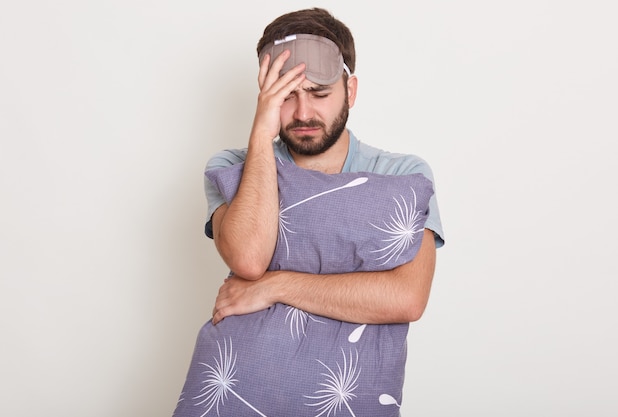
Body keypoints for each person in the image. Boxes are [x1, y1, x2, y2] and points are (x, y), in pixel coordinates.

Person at [174, 8, 444, 417]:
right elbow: (248, 258)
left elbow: (407, 297)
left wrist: (275, 286)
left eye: (319, 94)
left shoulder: (403, 175)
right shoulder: (233, 166)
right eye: (285, 97)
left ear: (350, 92)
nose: (302, 114)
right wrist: (262, 134)